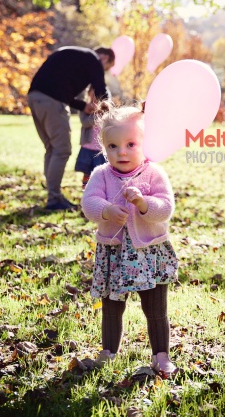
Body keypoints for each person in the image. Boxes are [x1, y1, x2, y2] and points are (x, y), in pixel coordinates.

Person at [81, 103, 179, 376]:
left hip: (149, 252)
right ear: (103, 148)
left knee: (155, 307)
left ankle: (161, 355)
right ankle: (109, 351)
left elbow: (165, 207)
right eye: (112, 146)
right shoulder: (101, 174)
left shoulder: (154, 173)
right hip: (113, 252)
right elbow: (88, 203)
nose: (121, 152)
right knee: (112, 306)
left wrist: (143, 202)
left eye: (130, 144)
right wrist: (107, 210)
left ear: (145, 144)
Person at [28, 46, 115, 210]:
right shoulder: (93, 60)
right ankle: (54, 199)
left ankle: (53, 195)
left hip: (34, 97)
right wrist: (112, 112)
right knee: (62, 150)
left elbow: (60, 88)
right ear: (105, 59)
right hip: (52, 101)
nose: (103, 70)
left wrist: (83, 106)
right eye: (107, 68)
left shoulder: (74, 56)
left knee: (52, 148)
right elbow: (100, 89)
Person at [75, 86, 107, 189]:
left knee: (101, 173)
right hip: (88, 147)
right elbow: (85, 122)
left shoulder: (105, 109)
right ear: (89, 94)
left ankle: (99, 191)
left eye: (98, 95)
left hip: (100, 148)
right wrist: (98, 115)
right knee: (87, 172)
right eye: (93, 94)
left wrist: (103, 112)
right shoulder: (85, 107)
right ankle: (86, 192)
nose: (96, 97)